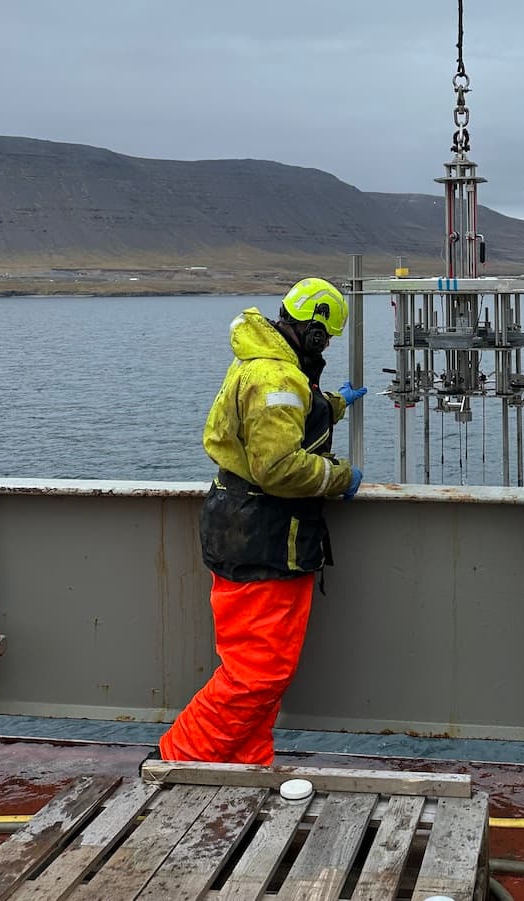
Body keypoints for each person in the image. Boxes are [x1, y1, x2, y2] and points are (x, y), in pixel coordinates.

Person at [159, 276, 366, 765]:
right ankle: (175, 759)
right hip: (264, 537)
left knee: (269, 668)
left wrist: (334, 403)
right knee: (256, 673)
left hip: (262, 534)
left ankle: (245, 766)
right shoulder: (275, 378)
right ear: (315, 330)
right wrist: (339, 477)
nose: (328, 345)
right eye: (327, 336)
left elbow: (290, 415)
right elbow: (279, 467)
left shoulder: (270, 366)